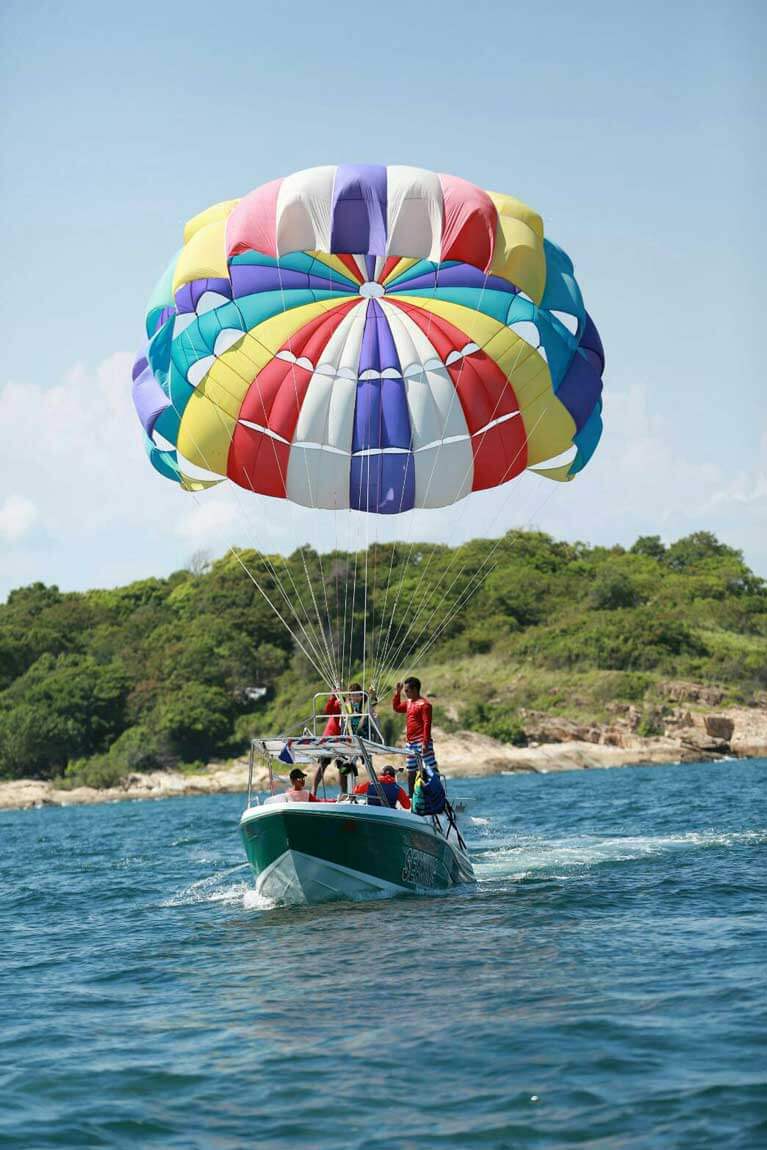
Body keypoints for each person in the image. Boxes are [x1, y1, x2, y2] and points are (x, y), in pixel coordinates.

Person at [313, 682, 364, 796]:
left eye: (358, 695)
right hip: (331, 736)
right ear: (349, 696)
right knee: (323, 763)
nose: (356, 698)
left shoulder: (358, 708)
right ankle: (314, 791)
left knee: (343, 766)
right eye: (353, 695)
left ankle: (344, 793)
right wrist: (333, 695)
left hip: (344, 739)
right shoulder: (340, 703)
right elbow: (329, 710)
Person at [392, 676, 438, 796]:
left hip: (421, 741)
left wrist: (425, 742)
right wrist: (397, 693)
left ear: (415, 689)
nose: (405, 693)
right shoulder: (408, 703)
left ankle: (437, 794)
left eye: (407, 690)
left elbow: (427, 724)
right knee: (411, 771)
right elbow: (396, 708)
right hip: (410, 743)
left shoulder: (425, 704)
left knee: (430, 769)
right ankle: (412, 797)